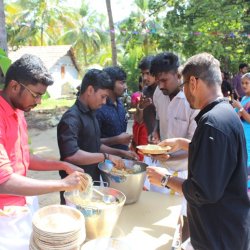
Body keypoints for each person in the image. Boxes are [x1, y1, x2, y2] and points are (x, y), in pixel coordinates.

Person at [147, 53, 250, 250]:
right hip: (229, 228)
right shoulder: (226, 113)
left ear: (193, 82)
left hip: (218, 236)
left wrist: (165, 179)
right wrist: (185, 143)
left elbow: (203, 192)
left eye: (184, 84)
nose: (184, 91)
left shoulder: (212, 123)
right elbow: (218, 157)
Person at [0, 54, 88, 209]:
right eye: (36, 95)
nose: (39, 101)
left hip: (20, 201)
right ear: (14, 86)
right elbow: (4, 181)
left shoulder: (18, 111)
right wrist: (62, 184)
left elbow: (25, 158)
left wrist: (63, 165)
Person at [57, 69, 133, 204]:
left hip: (91, 182)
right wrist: (106, 157)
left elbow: (95, 144)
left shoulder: (91, 113)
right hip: (74, 188)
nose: (104, 102)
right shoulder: (71, 118)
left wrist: (121, 153)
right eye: (103, 96)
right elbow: (71, 155)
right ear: (90, 90)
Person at [96, 66, 135, 154]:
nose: (125, 87)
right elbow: (90, 143)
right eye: (122, 83)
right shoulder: (99, 107)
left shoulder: (120, 105)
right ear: (110, 83)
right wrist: (117, 140)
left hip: (122, 160)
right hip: (105, 163)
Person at [131, 56, 157, 160]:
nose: (145, 77)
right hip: (147, 142)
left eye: (148, 73)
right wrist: (140, 107)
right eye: (143, 74)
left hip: (162, 144)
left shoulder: (164, 91)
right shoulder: (145, 91)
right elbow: (138, 119)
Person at [232, 72, 250, 177]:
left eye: (247, 83)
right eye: (242, 83)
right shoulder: (243, 99)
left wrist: (240, 108)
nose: (243, 85)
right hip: (240, 137)